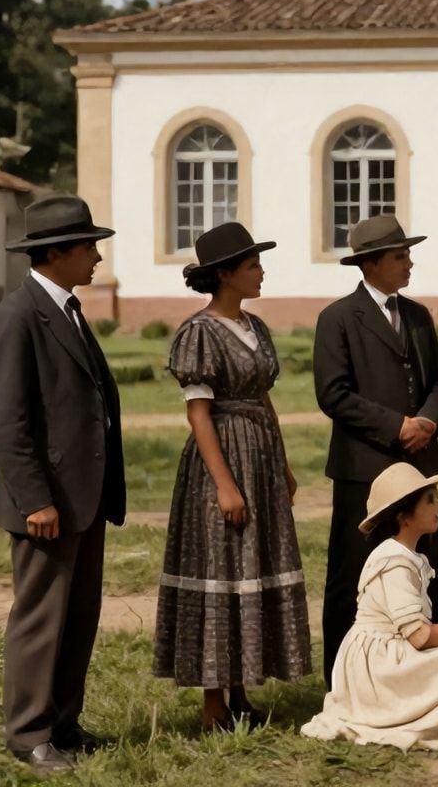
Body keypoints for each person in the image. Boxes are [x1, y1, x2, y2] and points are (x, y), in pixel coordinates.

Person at [0, 195, 125, 773]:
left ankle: (63, 721)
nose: (96, 254)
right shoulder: (16, 319)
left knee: (79, 612)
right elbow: (4, 421)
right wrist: (35, 496)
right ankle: (28, 732)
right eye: (89, 245)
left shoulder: (69, 310)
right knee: (40, 617)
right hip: (47, 501)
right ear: (58, 252)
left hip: (82, 495)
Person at [153, 222, 311, 731]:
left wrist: (281, 464)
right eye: (252, 265)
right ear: (224, 274)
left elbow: (264, 399)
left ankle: (241, 690)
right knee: (221, 568)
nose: (261, 272)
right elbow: (199, 414)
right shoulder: (198, 333)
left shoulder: (256, 327)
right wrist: (224, 483)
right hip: (220, 456)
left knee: (252, 566)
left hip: (259, 456)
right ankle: (213, 704)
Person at [315, 214, 438, 689]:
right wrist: (396, 426)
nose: (409, 263)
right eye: (400, 256)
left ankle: (425, 675)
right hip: (366, 468)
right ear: (371, 263)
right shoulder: (336, 319)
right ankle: (342, 681)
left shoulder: (417, 315)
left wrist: (427, 421)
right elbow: (332, 394)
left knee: (426, 568)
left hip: (420, 467)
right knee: (353, 574)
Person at [302, 463, 438, 749]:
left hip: (394, 652)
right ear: (403, 516)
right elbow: (420, 636)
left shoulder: (407, 556)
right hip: (379, 667)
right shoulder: (392, 560)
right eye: (429, 501)